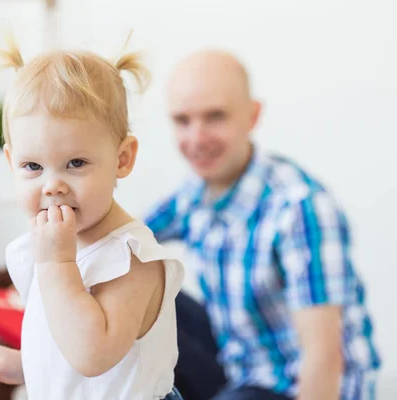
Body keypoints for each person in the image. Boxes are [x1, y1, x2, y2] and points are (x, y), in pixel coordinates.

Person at [145, 50, 381, 400]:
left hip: (296, 385)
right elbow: (126, 238)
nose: (197, 138)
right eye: (183, 120)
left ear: (252, 116)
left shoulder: (300, 208)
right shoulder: (193, 194)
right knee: (145, 282)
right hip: (240, 366)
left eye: (215, 117)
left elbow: (324, 358)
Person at [0, 34, 185, 400]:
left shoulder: (130, 259)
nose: (53, 186)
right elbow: (68, 343)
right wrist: (28, 362)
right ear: (11, 163)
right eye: (32, 166)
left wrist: (56, 264)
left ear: (122, 159)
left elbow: (93, 354)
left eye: (76, 163)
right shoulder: (59, 248)